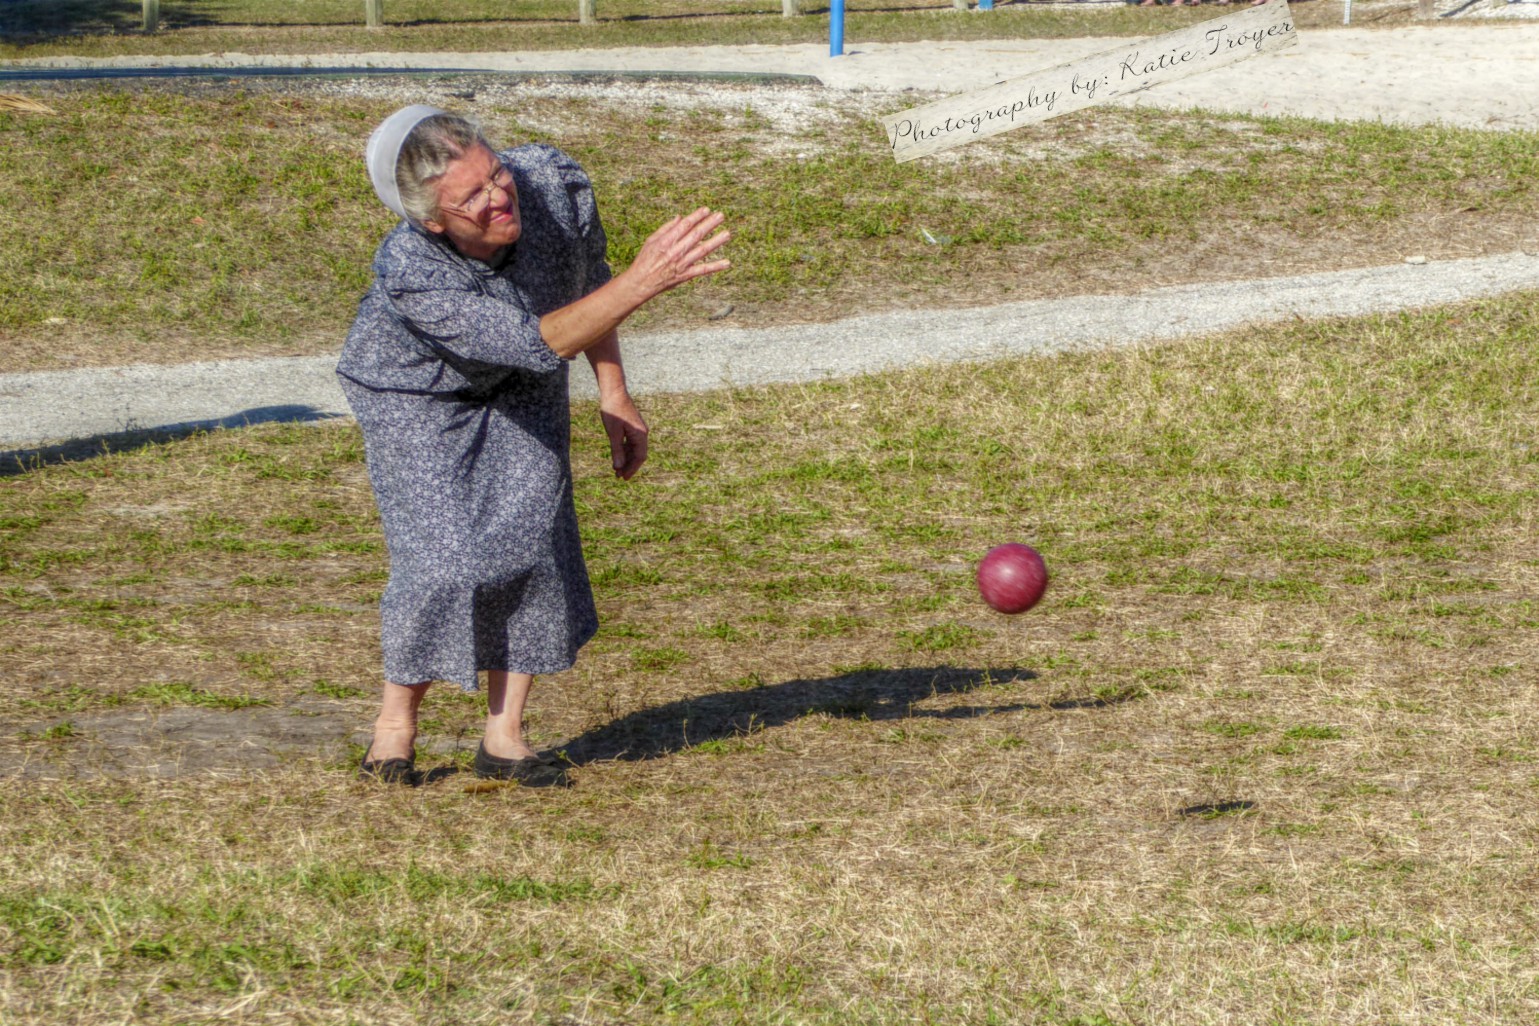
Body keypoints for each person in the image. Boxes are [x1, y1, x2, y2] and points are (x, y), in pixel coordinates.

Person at [337, 106, 730, 785]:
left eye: (495, 174)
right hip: (417, 393)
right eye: (471, 199)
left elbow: (585, 286)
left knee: (531, 535)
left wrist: (613, 391)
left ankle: (505, 736)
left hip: (529, 369)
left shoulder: (551, 181)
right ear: (434, 221)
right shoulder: (411, 266)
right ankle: (394, 725)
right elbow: (539, 337)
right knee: (443, 560)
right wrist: (648, 279)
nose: (498, 197)